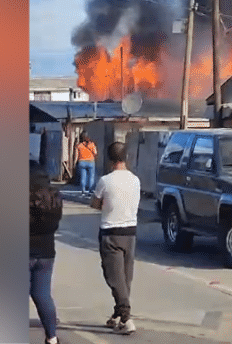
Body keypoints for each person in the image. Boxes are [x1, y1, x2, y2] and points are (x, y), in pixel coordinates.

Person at [90, 142, 140, 335]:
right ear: (126, 157)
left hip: (111, 232)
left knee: (113, 276)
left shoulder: (105, 180)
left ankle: (126, 317)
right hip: (130, 232)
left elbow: (95, 203)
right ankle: (118, 314)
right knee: (125, 277)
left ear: (110, 160)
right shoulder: (135, 180)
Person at [30, 159, 63, 344]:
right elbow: (56, 224)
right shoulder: (53, 196)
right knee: (42, 295)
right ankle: (52, 337)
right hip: (46, 252)